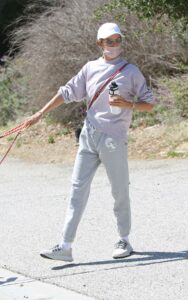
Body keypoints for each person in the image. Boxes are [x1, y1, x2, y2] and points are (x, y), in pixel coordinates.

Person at [25, 23, 155, 262]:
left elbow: (149, 103)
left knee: (119, 191)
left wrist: (127, 105)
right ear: (99, 44)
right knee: (77, 190)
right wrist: (39, 114)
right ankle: (65, 246)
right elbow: (66, 92)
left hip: (114, 138)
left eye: (117, 40)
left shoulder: (131, 71)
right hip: (88, 135)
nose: (114, 45)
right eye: (109, 41)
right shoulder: (90, 68)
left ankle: (124, 239)